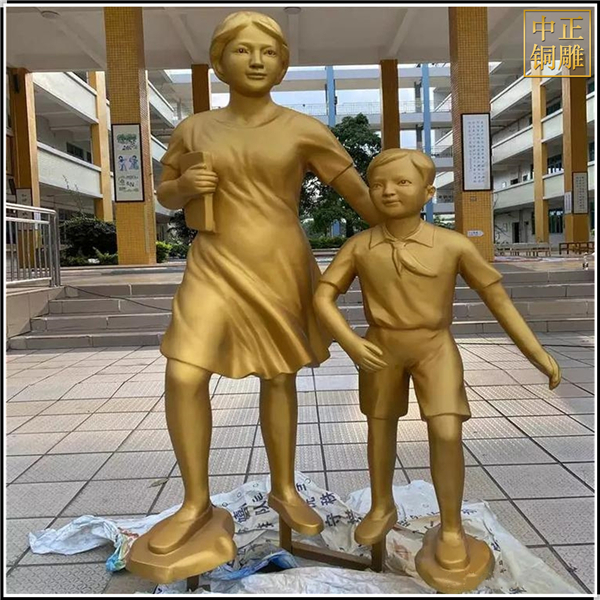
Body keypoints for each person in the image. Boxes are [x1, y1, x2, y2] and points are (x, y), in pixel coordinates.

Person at [148, 11, 380, 559]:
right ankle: (195, 502)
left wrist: (412, 234)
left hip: (280, 264)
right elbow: (164, 193)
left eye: (269, 52)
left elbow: (359, 194)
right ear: (219, 61)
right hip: (213, 262)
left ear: (282, 66)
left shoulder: (303, 129)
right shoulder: (194, 128)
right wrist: (184, 184)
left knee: (279, 375)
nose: (256, 61)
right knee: (183, 372)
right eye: (243, 50)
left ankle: (284, 488)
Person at [314, 148, 561, 570]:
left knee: (446, 432)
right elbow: (322, 296)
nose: (388, 191)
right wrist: (350, 342)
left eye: (402, 182)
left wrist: (535, 352)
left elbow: (497, 299)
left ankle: (451, 527)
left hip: (435, 347)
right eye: (378, 184)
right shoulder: (360, 246)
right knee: (379, 426)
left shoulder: (452, 245)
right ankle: (381, 505)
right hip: (380, 347)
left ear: (428, 192)